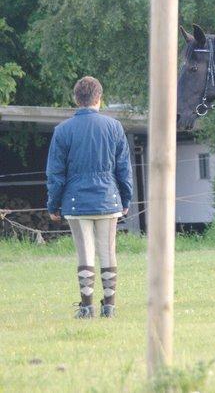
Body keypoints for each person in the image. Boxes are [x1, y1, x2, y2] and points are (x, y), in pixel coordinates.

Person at [46, 76, 133, 319]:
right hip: (108, 198)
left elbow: (55, 174)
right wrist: (126, 199)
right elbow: (124, 169)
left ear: (76, 99)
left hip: (75, 201)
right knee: (108, 251)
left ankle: (87, 307)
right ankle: (110, 306)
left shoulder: (62, 131)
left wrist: (53, 204)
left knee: (85, 252)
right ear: (99, 98)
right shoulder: (114, 127)